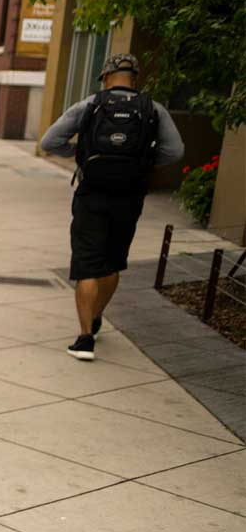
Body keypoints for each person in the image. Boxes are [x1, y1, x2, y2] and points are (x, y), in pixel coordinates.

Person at [39, 53, 183, 361]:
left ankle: (84, 338)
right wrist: (141, 165)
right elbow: (175, 151)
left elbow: (49, 142)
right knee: (113, 260)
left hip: (92, 193)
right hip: (129, 196)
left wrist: (81, 154)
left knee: (87, 261)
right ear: (135, 78)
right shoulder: (153, 110)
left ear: (105, 77)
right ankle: (96, 316)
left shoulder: (90, 105)